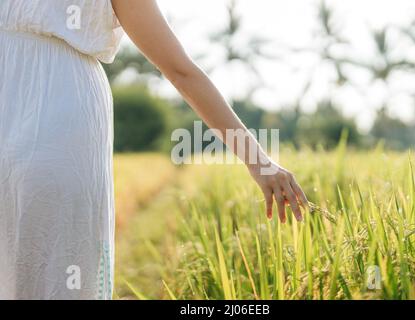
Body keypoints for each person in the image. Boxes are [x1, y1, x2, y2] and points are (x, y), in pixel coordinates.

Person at [0, 0, 308, 300]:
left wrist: (259, 161)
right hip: (61, 107)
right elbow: (181, 71)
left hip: (57, 121)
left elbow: (181, 71)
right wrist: (260, 162)